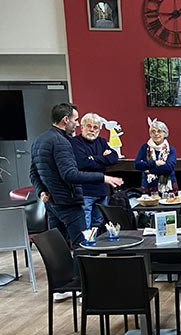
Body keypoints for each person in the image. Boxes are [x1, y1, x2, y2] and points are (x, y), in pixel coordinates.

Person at [29, 103, 123, 290]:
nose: (77, 123)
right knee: (82, 245)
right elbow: (70, 174)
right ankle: (82, 288)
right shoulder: (62, 142)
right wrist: (104, 177)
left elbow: (33, 172)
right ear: (66, 120)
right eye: (76, 119)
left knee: (58, 248)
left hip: (52, 202)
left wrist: (41, 190)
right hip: (68, 202)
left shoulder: (39, 140)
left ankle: (61, 288)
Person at [70, 112, 119, 229]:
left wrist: (94, 158)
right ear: (82, 127)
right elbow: (82, 163)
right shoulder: (74, 142)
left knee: (99, 225)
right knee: (85, 226)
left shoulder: (102, 141)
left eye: (95, 127)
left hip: (101, 192)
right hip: (84, 192)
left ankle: (95, 242)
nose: (92, 130)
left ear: (99, 130)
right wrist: (103, 159)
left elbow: (114, 158)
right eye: (89, 126)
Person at [134, 119, 177, 193]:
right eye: (153, 132)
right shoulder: (144, 148)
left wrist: (150, 170)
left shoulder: (171, 149)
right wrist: (155, 163)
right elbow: (137, 164)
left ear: (165, 133)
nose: (156, 134)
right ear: (150, 134)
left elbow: (169, 167)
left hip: (168, 187)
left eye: (159, 131)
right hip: (148, 186)